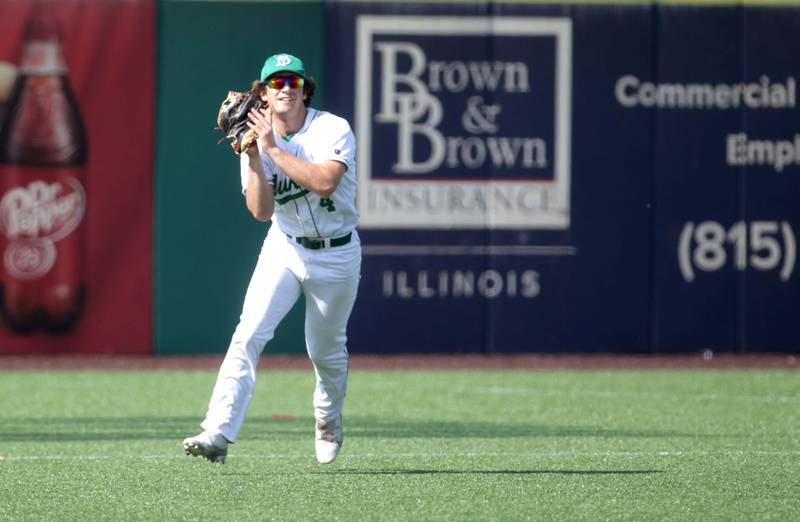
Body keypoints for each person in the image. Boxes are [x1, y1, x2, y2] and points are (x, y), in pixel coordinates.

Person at [183, 53, 361, 465]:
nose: (285, 88)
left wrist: (271, 148)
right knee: (249, 333)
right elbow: (261, 211)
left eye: (293, 82)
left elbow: (326, 183)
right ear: (262, 92)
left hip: (336, 253)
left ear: (304, 89)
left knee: (325, 350)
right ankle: (218, 431)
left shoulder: (332, 128)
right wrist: (252, 157)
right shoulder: (253, 141)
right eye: (275, 82)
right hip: (285, 245)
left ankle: (327, 420)